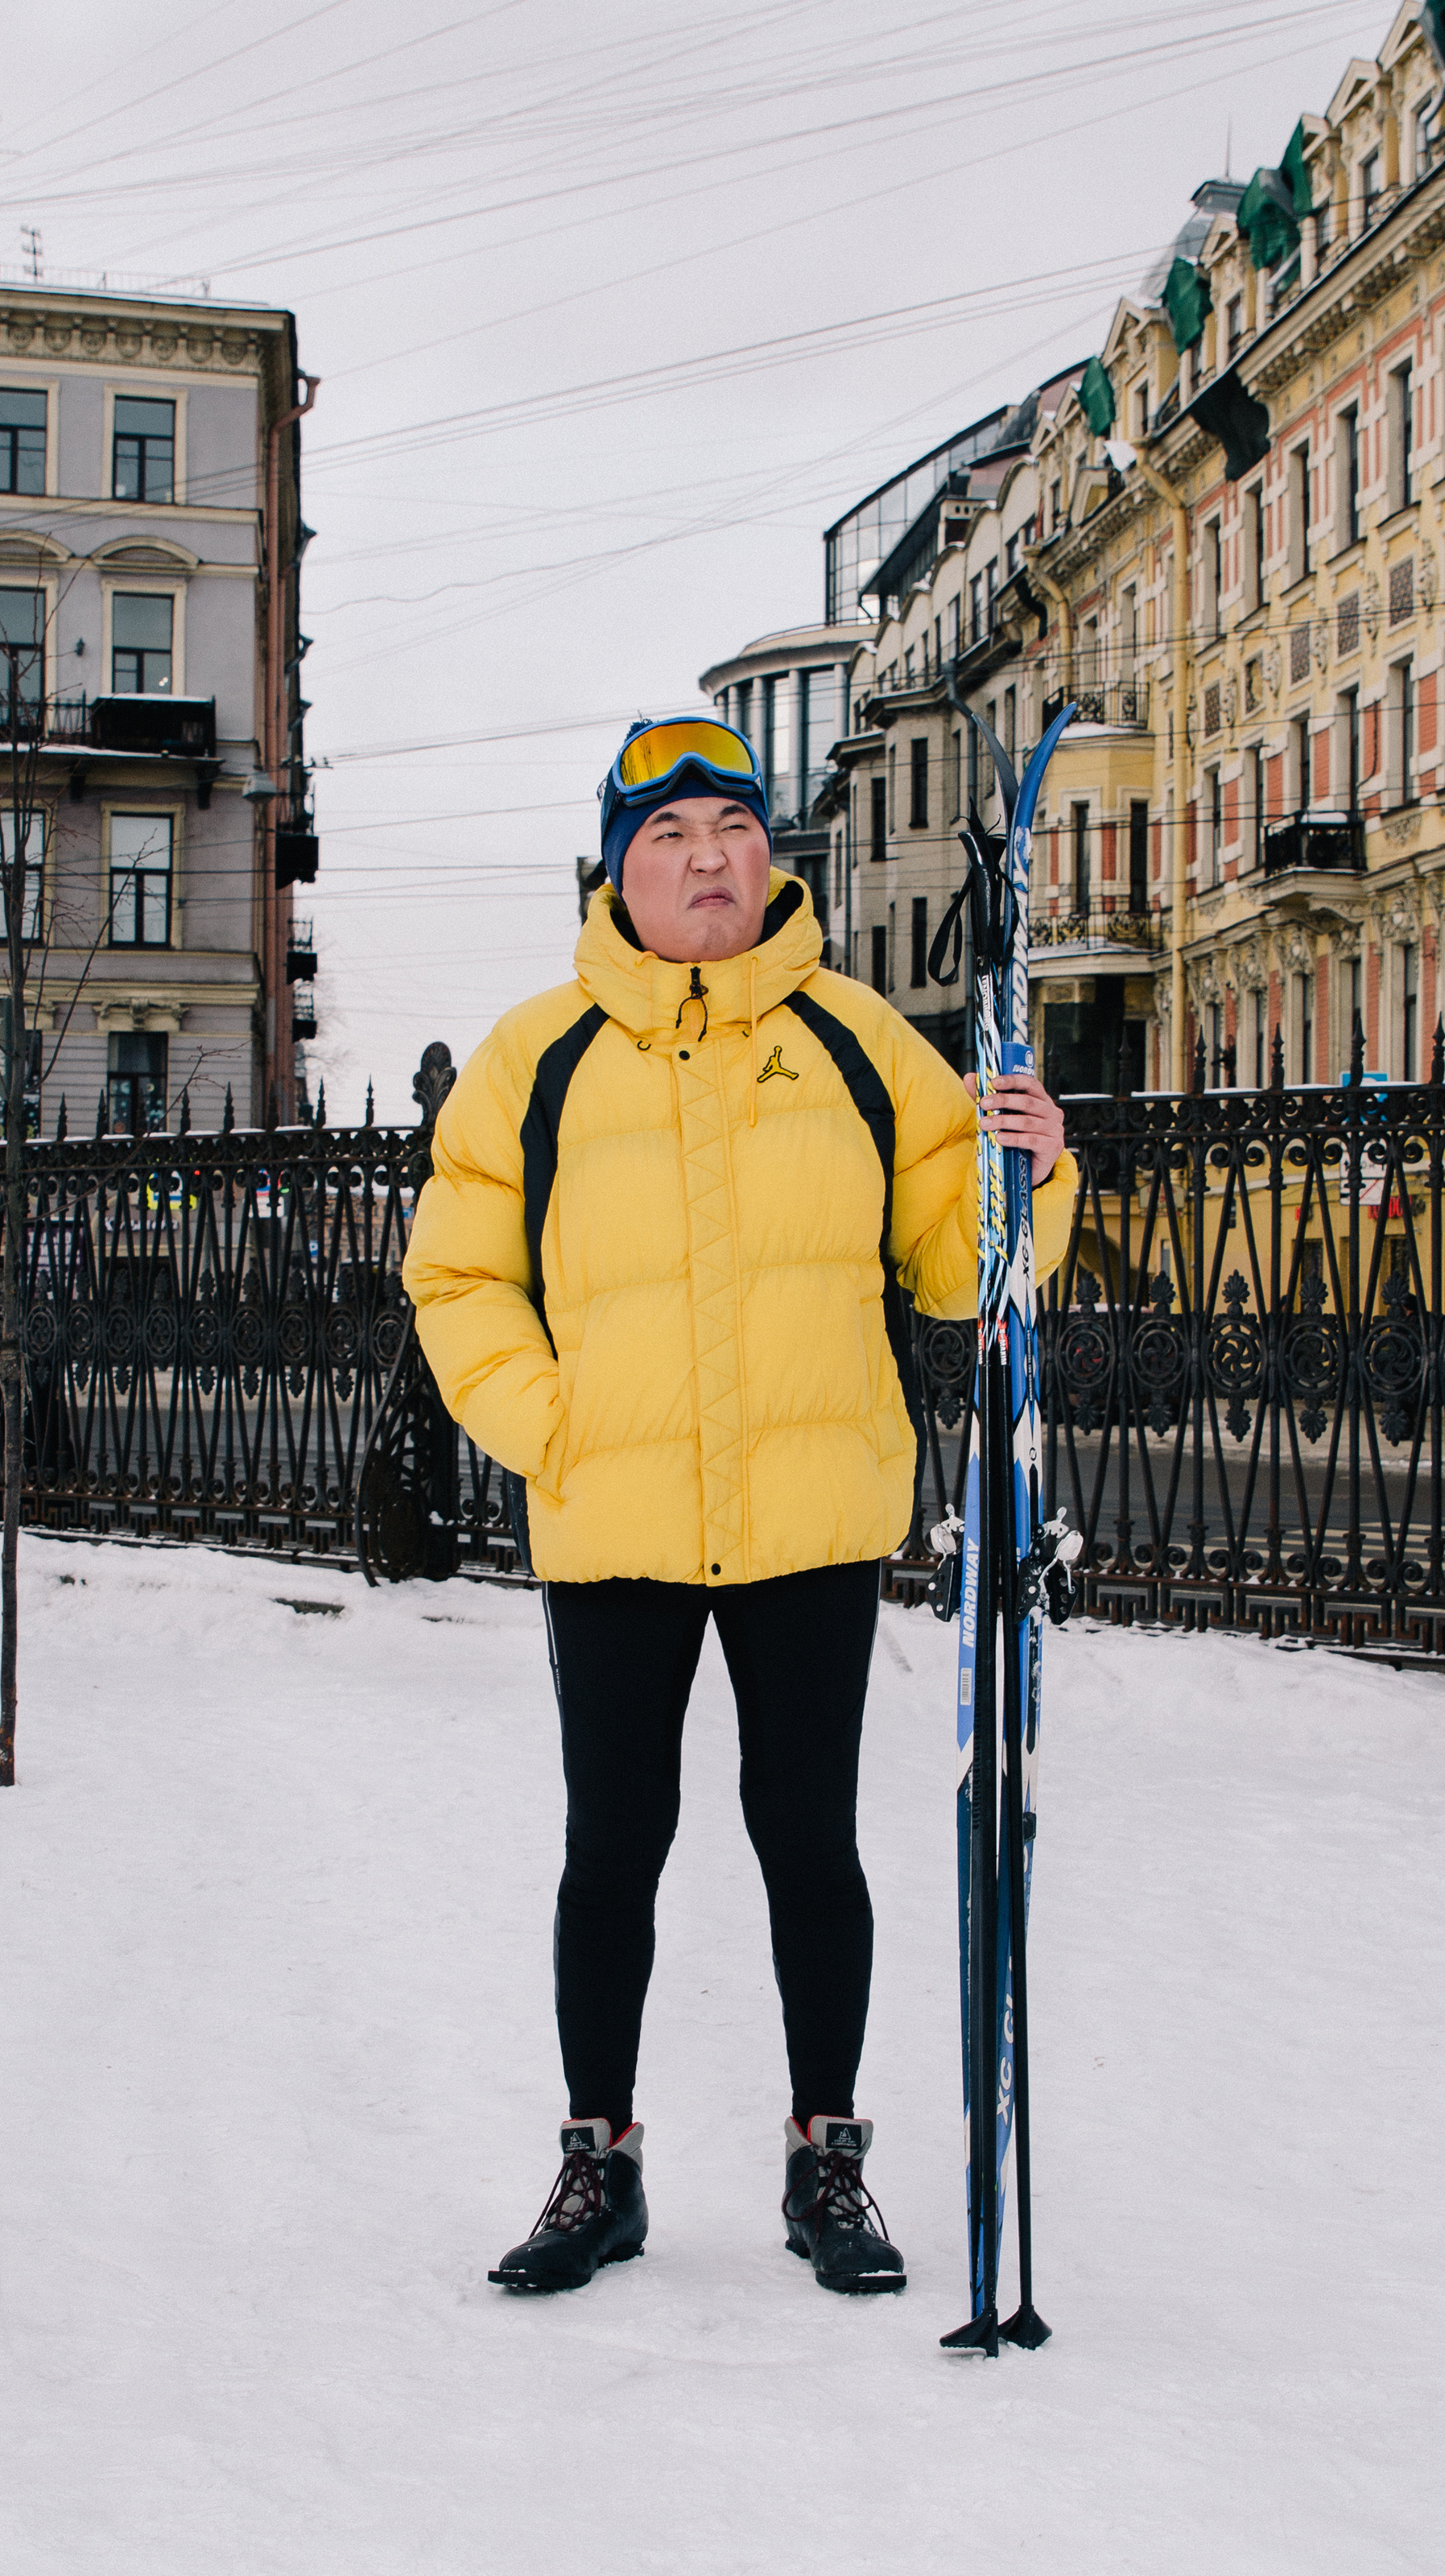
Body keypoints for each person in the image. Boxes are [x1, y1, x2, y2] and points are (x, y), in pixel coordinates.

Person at [403, 716, 1072, 2297]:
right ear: (615, 868)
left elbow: (952, 1266)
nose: (706, 857)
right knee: (613, 1843)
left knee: (808, 1837)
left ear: (771, 855)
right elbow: (457, 1275)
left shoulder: (857, 1041)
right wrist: (547, 1428)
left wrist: (1027, 1179)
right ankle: (598, 2162)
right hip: (613, 1513)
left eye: (731, 826)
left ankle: (824, 2159)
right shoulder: (534, 1056)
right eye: (667, 833)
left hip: (812, 1516)